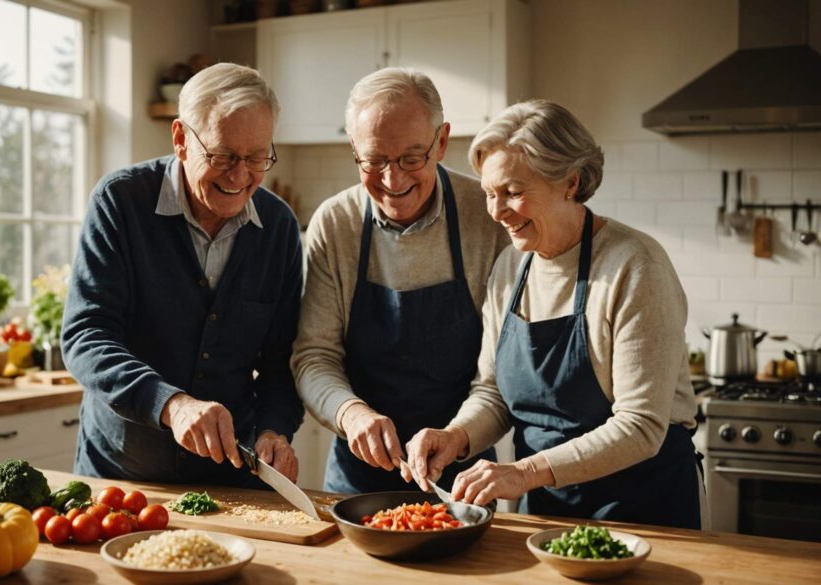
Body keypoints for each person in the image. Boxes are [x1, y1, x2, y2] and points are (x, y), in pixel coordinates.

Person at [404, 99, 703, 529]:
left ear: (570, 182)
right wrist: (456, 436)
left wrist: (522, 473)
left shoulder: (636, 266)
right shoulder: (511, 267)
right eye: (490, 194)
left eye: (513, 192)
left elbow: (640, 426)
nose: (497, 211)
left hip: (643, 510)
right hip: (546, 512)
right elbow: (493, 392)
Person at [62, 63, 305, 486]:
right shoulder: (120, 202)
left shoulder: (278, 226)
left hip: (230, 478)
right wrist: (171, 404)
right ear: (180, 139)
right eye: (223, 155)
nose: (240, 175)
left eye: (256, 157)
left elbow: (280, 362)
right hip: (124, 476)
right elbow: (86, 335)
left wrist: (274, 430)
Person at [291, 68, 509, 494]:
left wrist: (459, 435)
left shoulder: (487, 219)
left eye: (412, 158)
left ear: (441, 142)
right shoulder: (335, 224)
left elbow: (499, 375)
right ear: (354, 149)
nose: (393, 181)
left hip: (463, 472)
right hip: (355, 479)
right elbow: (314, 356)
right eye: (374, 161)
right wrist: (351, 414)